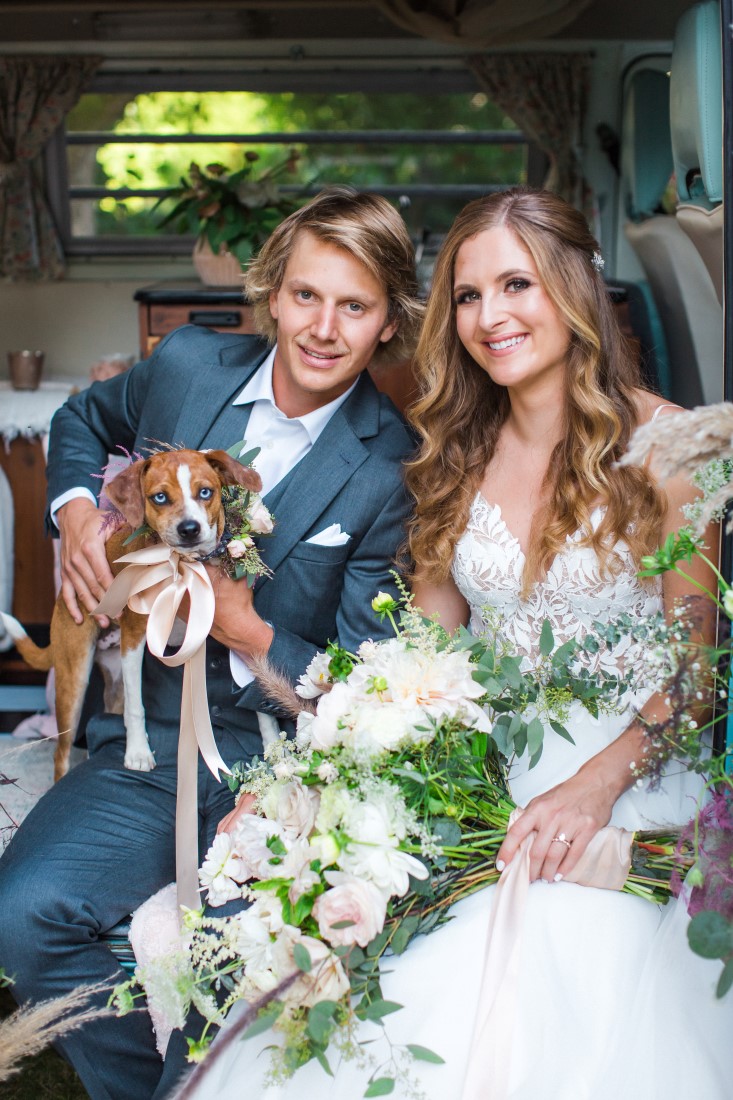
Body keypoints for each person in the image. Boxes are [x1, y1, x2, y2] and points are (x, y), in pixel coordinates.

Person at [183, 188, 730, 1099]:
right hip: (480, 789)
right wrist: (306, 783)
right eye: (466, 296)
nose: (489, 316)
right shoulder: (453, 456)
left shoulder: (673, 451)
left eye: (515, 284)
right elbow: (413, 663)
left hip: (624, 793)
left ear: (573, 289)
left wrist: (590, 791)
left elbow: (696, 677)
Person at [0, 186, 423, 1100]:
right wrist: (75, 515)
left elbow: (355, 683)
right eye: (306, 295)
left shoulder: (393, 468)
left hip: (280, 769)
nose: (322, 327)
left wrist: (250, 628)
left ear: (388, 323)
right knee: (19, 915)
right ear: (271, 293)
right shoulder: (187, 363)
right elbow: (80, 422)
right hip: (144, 750)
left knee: (243, 962)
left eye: (355, 306)